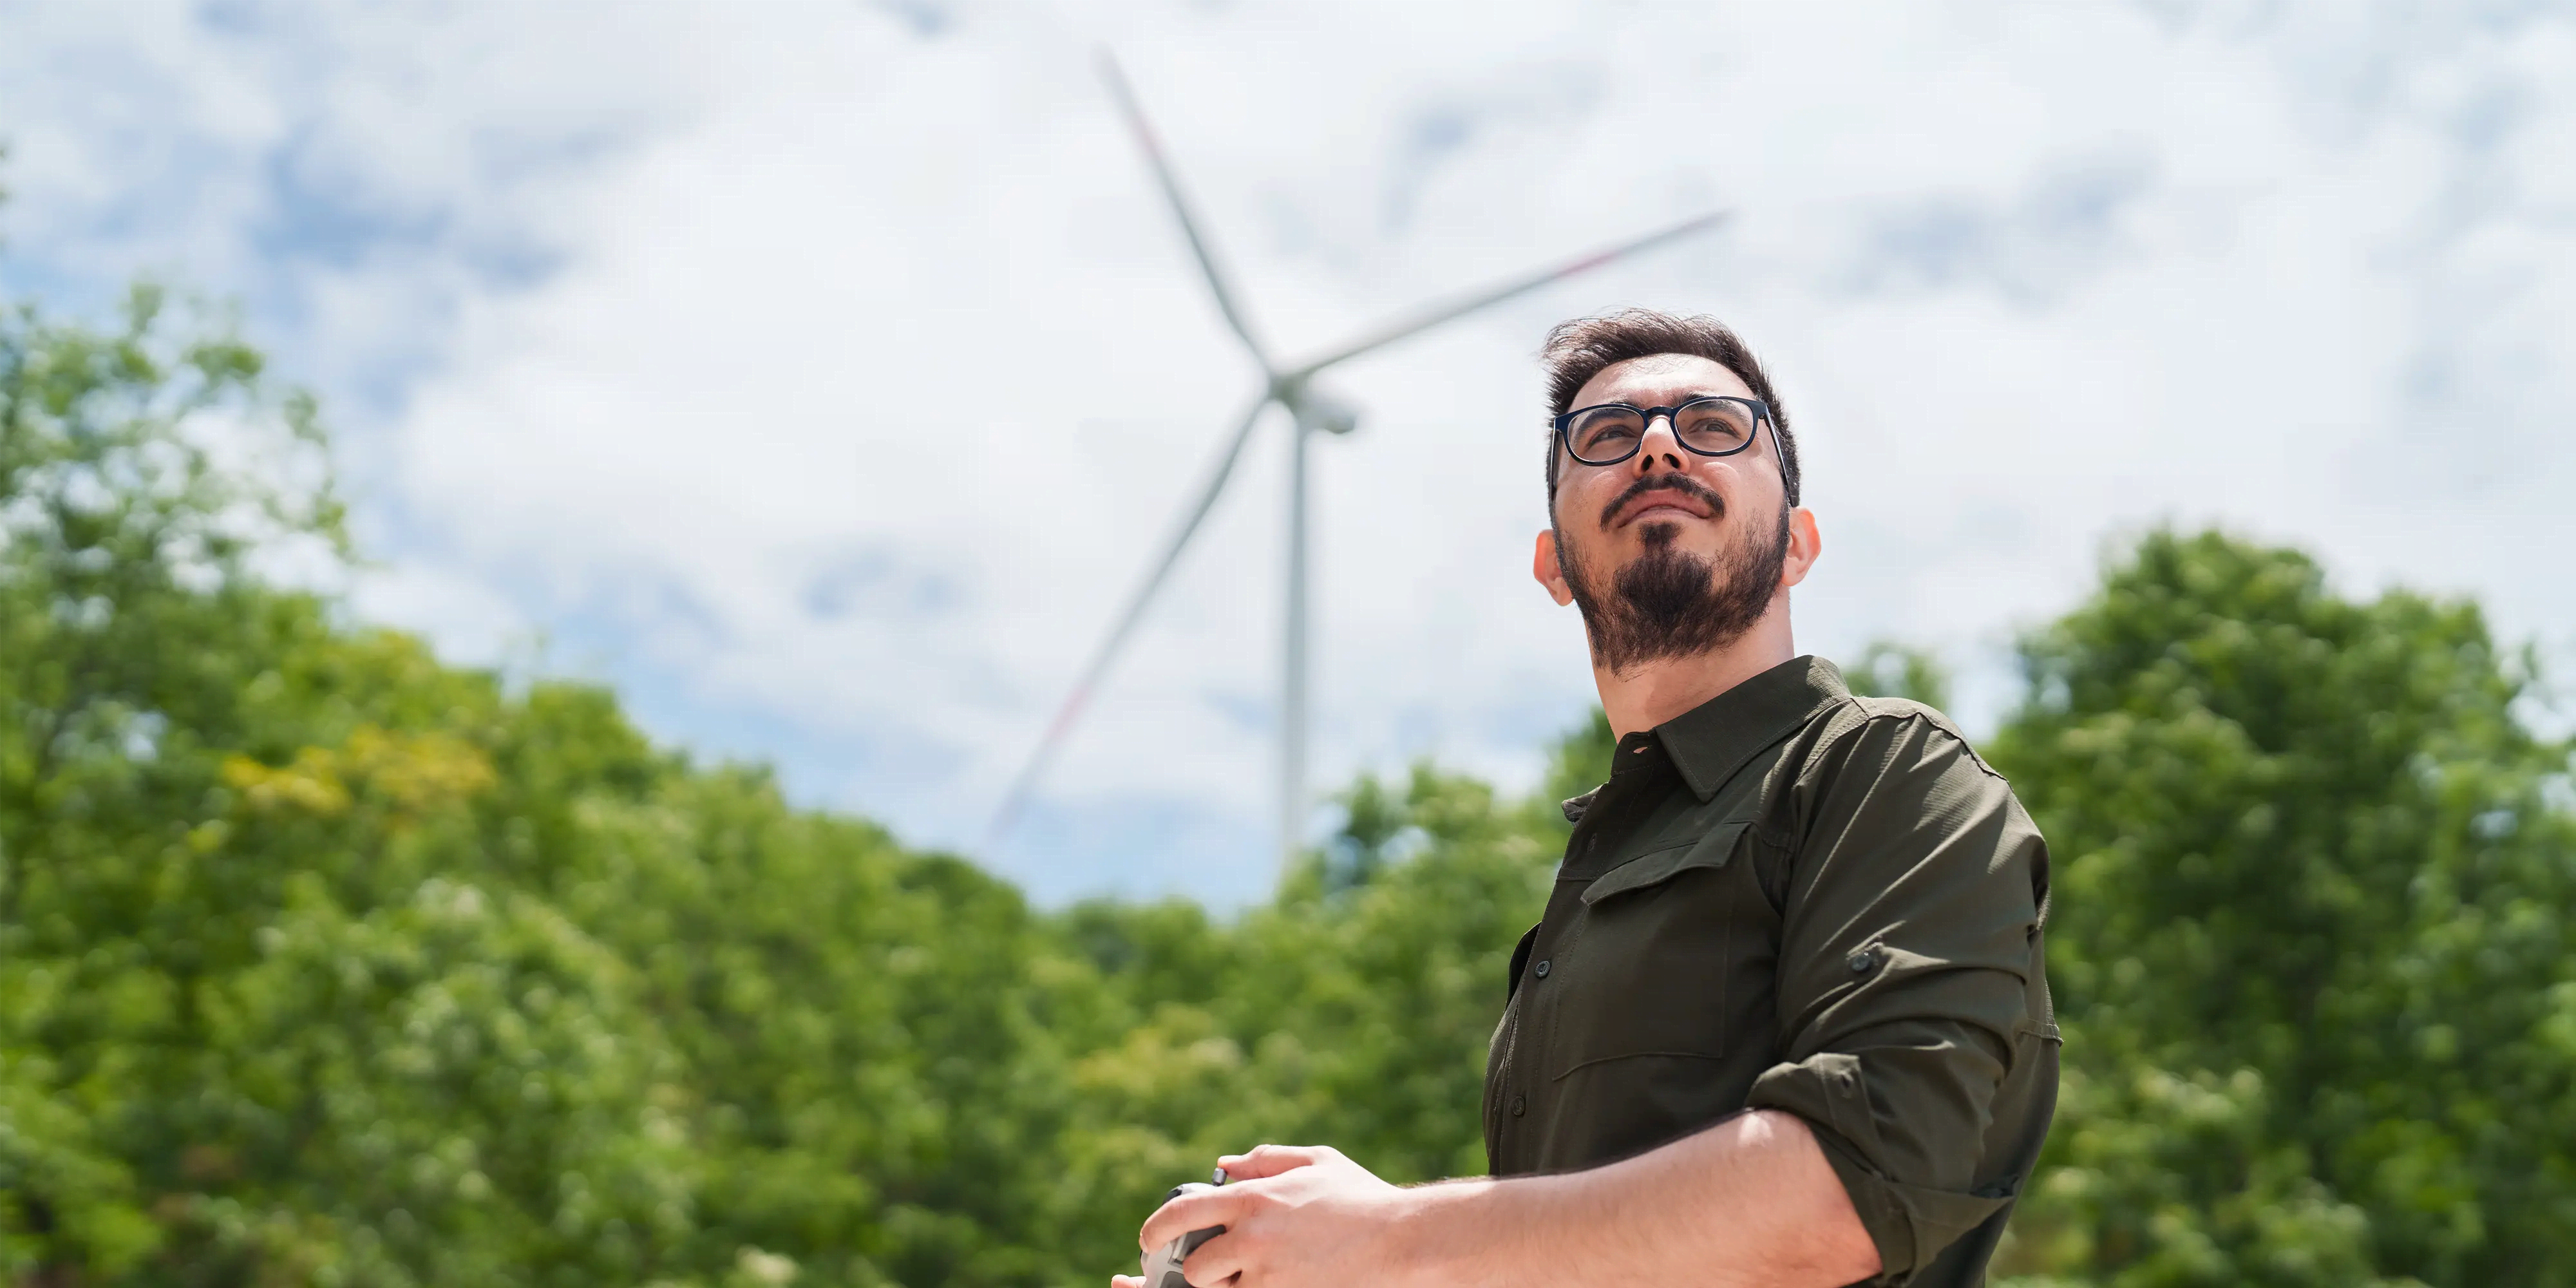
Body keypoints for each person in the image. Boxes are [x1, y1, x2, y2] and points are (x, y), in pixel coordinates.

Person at [1115, 309, 2058, 1288]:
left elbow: (1855, 1189)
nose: (1657, 444)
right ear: (1552, 565)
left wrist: (1390, 1236)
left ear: (1796, 546)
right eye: (1606, 436)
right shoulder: (1592, 885)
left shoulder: (1883, 772)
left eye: (1715, 426)